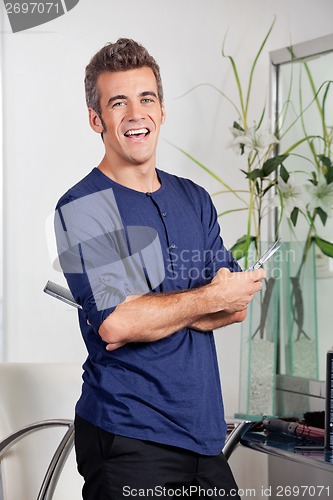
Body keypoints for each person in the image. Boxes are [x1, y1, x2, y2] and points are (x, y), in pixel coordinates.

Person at [54, 38, 265, 499]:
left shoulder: (194, 199)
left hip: (203, 434)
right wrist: (203, 300)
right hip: (129, 435)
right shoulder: (82, 207)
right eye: (118, 102)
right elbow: (116, 322)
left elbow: (234, 307)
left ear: (162, 110)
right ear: (97, 119)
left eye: (146, 98)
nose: (136, 113)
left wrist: (159, 311)